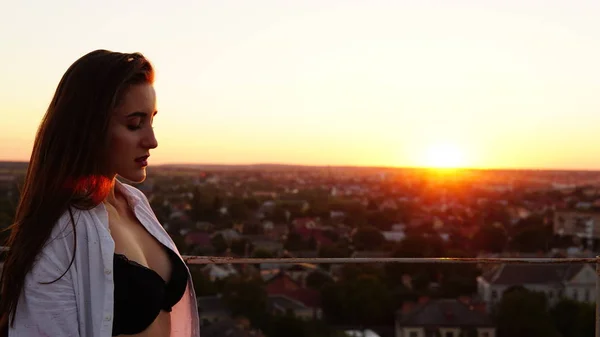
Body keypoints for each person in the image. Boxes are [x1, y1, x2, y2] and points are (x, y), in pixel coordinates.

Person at [0, 50, 200, 337]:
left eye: (151, 121)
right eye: (134, 124)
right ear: (89, 128)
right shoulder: (60, 231)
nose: (152, 141)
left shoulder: (135, 203)